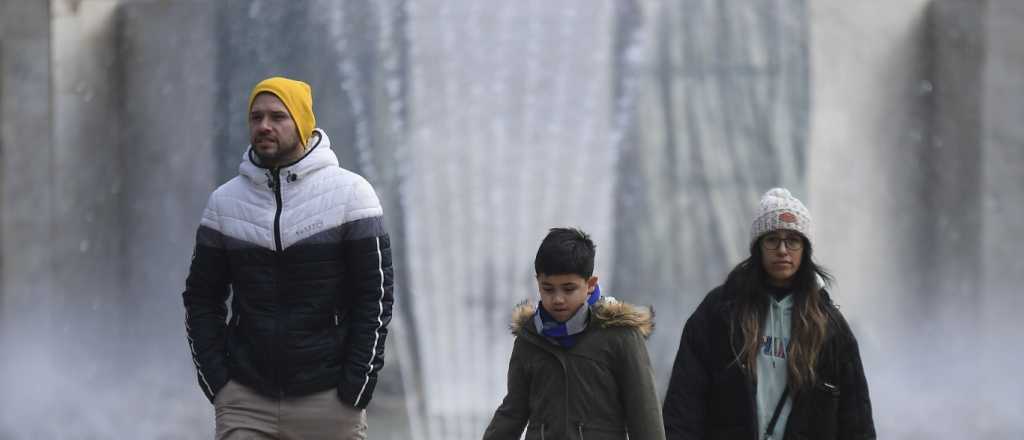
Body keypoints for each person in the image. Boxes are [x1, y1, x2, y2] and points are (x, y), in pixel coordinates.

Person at [183, 76, 394, 440]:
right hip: (246, 402)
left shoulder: (351, 195)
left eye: (278, 116)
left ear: (302, 122)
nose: (264, 126)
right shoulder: (224, 202)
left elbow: (374, 298)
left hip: (329, 401)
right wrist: (218, 382)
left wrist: (356, 387)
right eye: (256, 117)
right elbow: (201, 298)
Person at [662, 188, 875, 439]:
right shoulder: (720, 312)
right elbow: (685, 401)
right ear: (758, 248)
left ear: (805, 249)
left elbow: (855, 420)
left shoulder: (829, 326)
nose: (783, 250)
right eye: (772, 239)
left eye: (793, 240)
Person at [483, 227, 666, 440]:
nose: (558, 299)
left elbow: (644, 413)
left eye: (568, 289)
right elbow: (513, 411)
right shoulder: (529, 338)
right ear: (538, 283)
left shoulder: (620, 336)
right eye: (548, 289)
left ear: (590, 285)